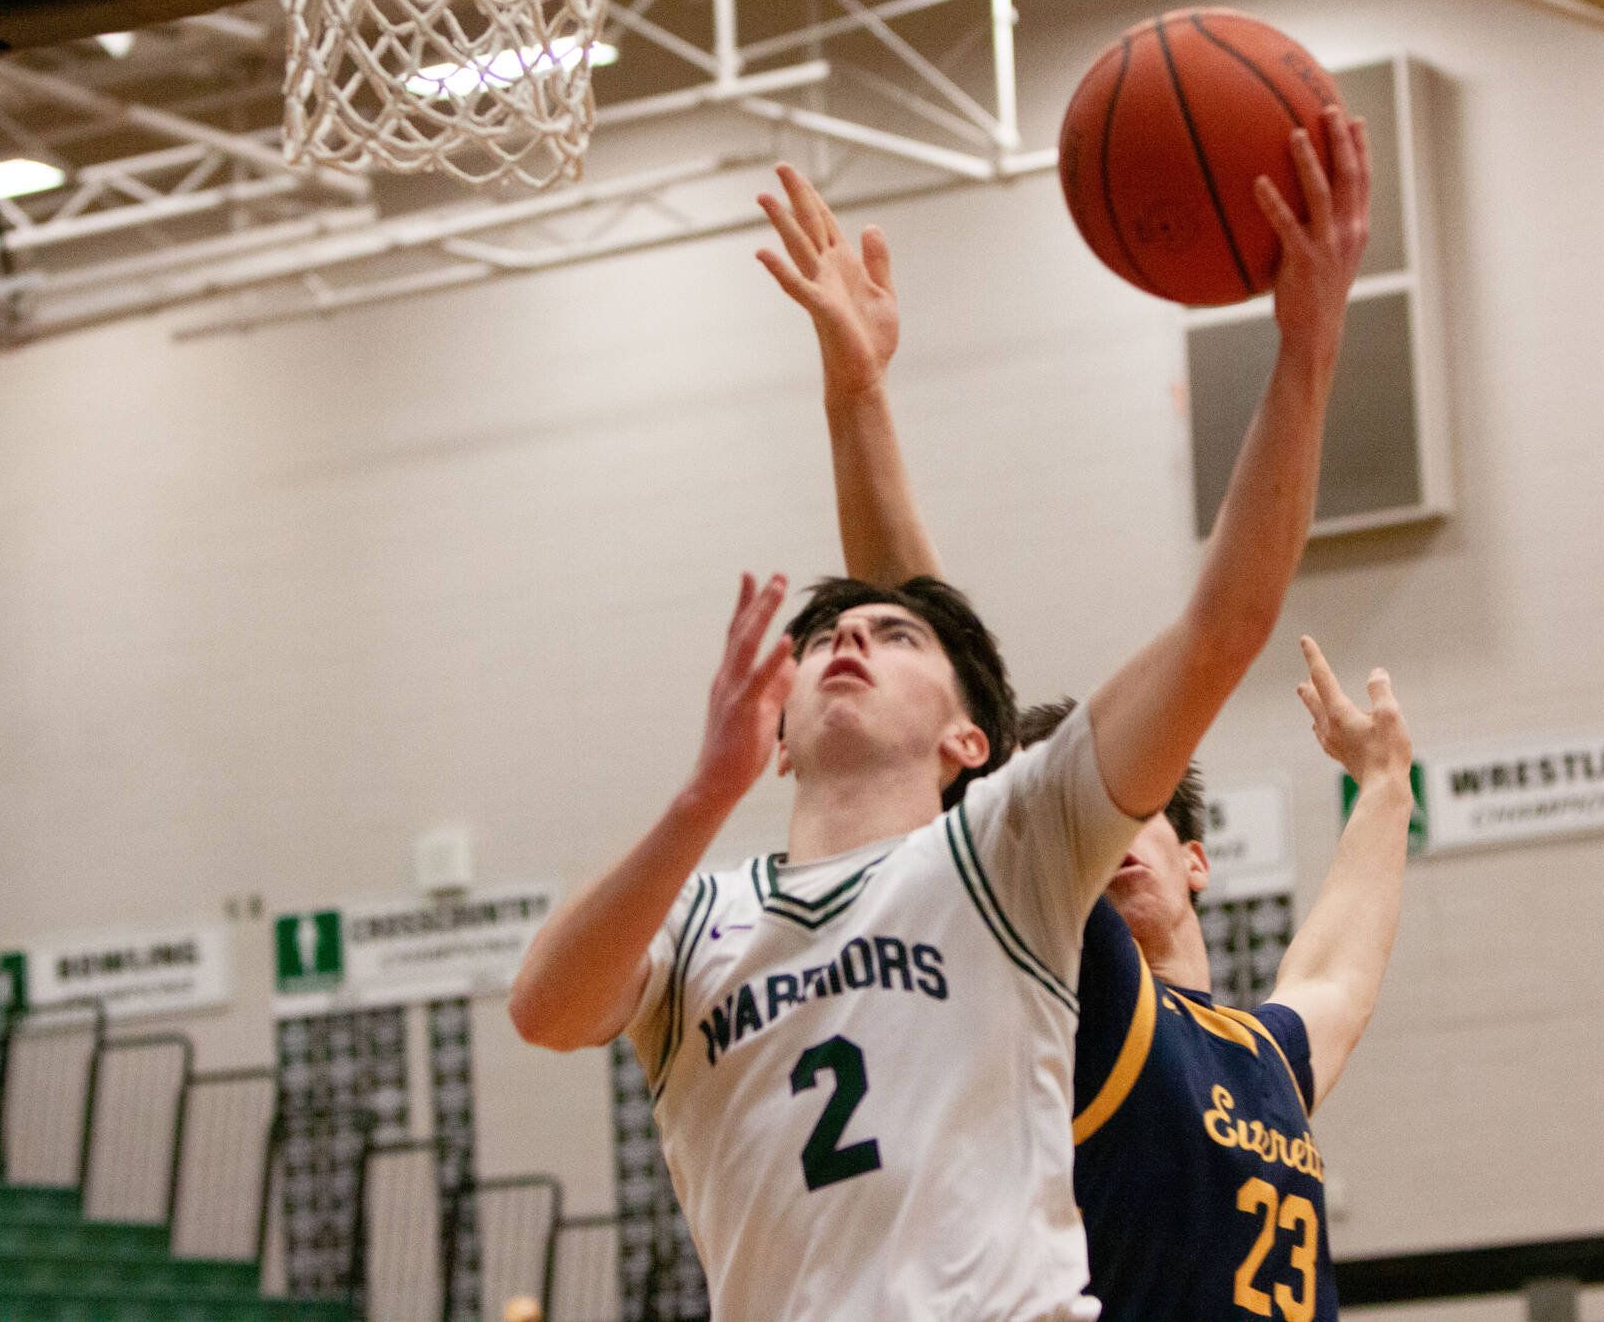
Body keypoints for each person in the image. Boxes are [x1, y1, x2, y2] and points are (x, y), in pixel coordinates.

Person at [509, 106, 1368, 1322]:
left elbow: (1220, 629)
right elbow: (544, 1009)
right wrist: (699, 796)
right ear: (777, 722)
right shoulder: (698, 916)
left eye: (892, 634)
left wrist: (1305, 354)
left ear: (974, 742)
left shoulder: (1000, 855)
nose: (848, 638)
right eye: (823, 639)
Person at [753, 129, 1409, 1321]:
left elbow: (1338, 964)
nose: (1104, 851)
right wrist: (858, 397)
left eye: (1136, 820)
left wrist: (1385, 790)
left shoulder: (1261, 1055)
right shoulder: (1062, 976)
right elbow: (938, 658)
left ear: (1195, 860)